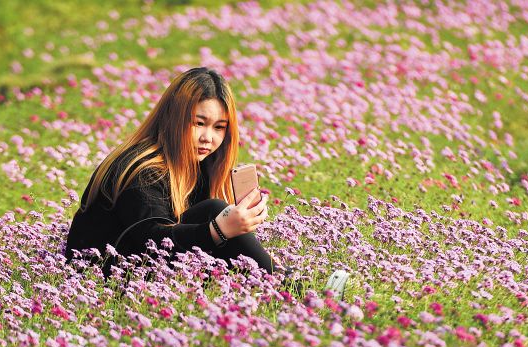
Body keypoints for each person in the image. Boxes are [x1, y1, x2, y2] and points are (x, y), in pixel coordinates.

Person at [64, 66, 350, 299]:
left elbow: (186, 234)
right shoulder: (141, 168)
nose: (208, 138)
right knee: (215, 211)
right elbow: (149, 241)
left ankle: (288, 292)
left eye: (219, 128)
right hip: (99, 281)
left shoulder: (197, 165)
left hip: (142, 273)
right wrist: (218, 229)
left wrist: (235, 224)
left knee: (217, 213)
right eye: (198, 123)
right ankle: (302, 298)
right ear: (173, 119)